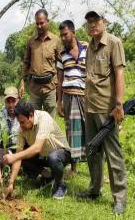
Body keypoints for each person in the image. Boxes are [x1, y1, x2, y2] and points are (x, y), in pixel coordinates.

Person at [76, 9, 127, 215]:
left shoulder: (114, 43)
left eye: (95, 20)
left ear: (104, 22)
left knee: (113, 154)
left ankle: (120, 198)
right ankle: (95, 189)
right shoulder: (90, 47)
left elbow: (119, 73)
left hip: (107, 109)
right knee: (92, 150)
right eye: (89, 21)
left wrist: (119, 104)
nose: (92, 24)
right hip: (90, 106)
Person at [2, 101, 71, 199]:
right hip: (44, 156)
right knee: (22, 156)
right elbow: (18, 154)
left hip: (61, 154)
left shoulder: (44, 118)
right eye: (19, 122)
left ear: (30, 115)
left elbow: (37, 147)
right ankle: (48, 176)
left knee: (53, 158)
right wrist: (11, 183)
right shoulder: (22, 128)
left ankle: (60, 184)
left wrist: (14, 157)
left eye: (22, 122)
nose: (20, 125)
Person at [56, 20, 87, 174]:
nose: (63, 38)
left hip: (85, 96)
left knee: (89, 130)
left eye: (65, 34)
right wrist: (59, 102)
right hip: (68, 96)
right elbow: (59, 80)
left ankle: (95, 167)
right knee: (71, 132)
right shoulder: (62, 54)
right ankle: (73, 168)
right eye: (61, 35)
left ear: (73, 33)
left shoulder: (87, 48)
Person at [19, 9, 61, 116]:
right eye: (37, 23)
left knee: (50, 121)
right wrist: (22, 82)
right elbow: (26, 62)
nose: (39, 26)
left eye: (41, 23)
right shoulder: (31, 41)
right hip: (34, 88)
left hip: (50, 87)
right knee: (34, 119)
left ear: (47, 21)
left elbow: (61, 64)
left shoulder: (56, 40)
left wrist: (60, 85)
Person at [0, 86, 20, 186]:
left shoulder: (23, 114)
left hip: (19, 149)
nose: (11, 105)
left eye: (13, 101)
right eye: (8, 101)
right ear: (4, 102)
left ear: (18, 100)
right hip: (4, 149)